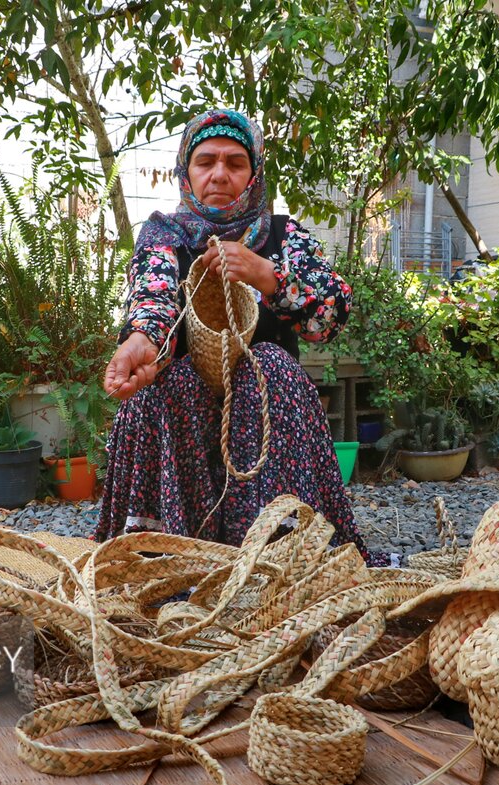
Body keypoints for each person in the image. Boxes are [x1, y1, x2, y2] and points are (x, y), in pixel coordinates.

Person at [96, 109, 386, 565]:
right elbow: (153, 297)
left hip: (265, 404)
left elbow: (331, 314)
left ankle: (277, 550)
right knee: (168, 384)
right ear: (185, 172)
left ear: (253, 174)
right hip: (186, 406)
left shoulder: (282, 235)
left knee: (269, 364)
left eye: (235, 163)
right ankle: (166, 557)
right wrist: (140, 343)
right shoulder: (163, 235)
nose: (219, 174)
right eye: (205, 161)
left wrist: (268, 275)